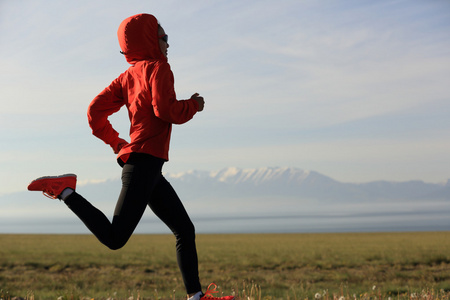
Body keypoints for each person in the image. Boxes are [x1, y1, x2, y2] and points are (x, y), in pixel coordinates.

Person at [27, 13, 234, 300]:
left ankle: (196, 296)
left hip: (147, 167)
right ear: (151, 39)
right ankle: (64, 190)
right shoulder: (160, 68)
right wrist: (194, 105)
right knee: (115, 238)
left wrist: (116, 143)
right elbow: (166, 110)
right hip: (143, 166)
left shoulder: (127, 77)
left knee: (185, 229)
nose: (168, 43)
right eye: (164, 36)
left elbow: (94, 112)